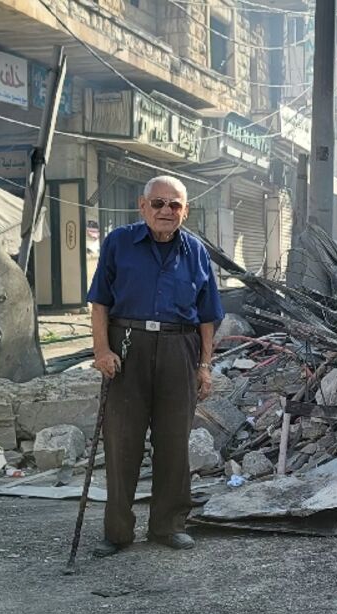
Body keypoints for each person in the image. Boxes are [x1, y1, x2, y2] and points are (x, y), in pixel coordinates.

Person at [86, 175, 224, 557]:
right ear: (142, 205)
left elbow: (207, 317)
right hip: (127, 347)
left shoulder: (195, 251)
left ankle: (167, 526)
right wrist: (101, 350)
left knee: (174, 442)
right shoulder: (119, 243)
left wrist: (204, 365)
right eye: (159, 203)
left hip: (180, 347)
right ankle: (117, 532)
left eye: (174, 205)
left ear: (185, 210)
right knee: (123, 442)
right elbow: (100, 303)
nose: (167, 211)